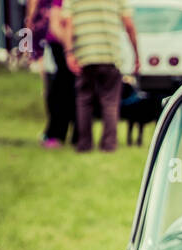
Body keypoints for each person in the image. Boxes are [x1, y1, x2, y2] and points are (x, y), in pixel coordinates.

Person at [57, 0, 140, 152]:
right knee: (110, 102)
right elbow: (129, 24)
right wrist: (136, 54)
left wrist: (69, 53)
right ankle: (109, 145)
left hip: (84, 54)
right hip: (110, 54)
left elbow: (68, 24)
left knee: (84, 100)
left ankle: (84, 144)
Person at [26, 0, 76, 147]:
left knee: (67, 91)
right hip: (61, 47)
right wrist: (70, 48)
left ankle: (70, 136)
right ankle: (56, 134)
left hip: (67, 47)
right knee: (60, 91)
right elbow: (55, 25)